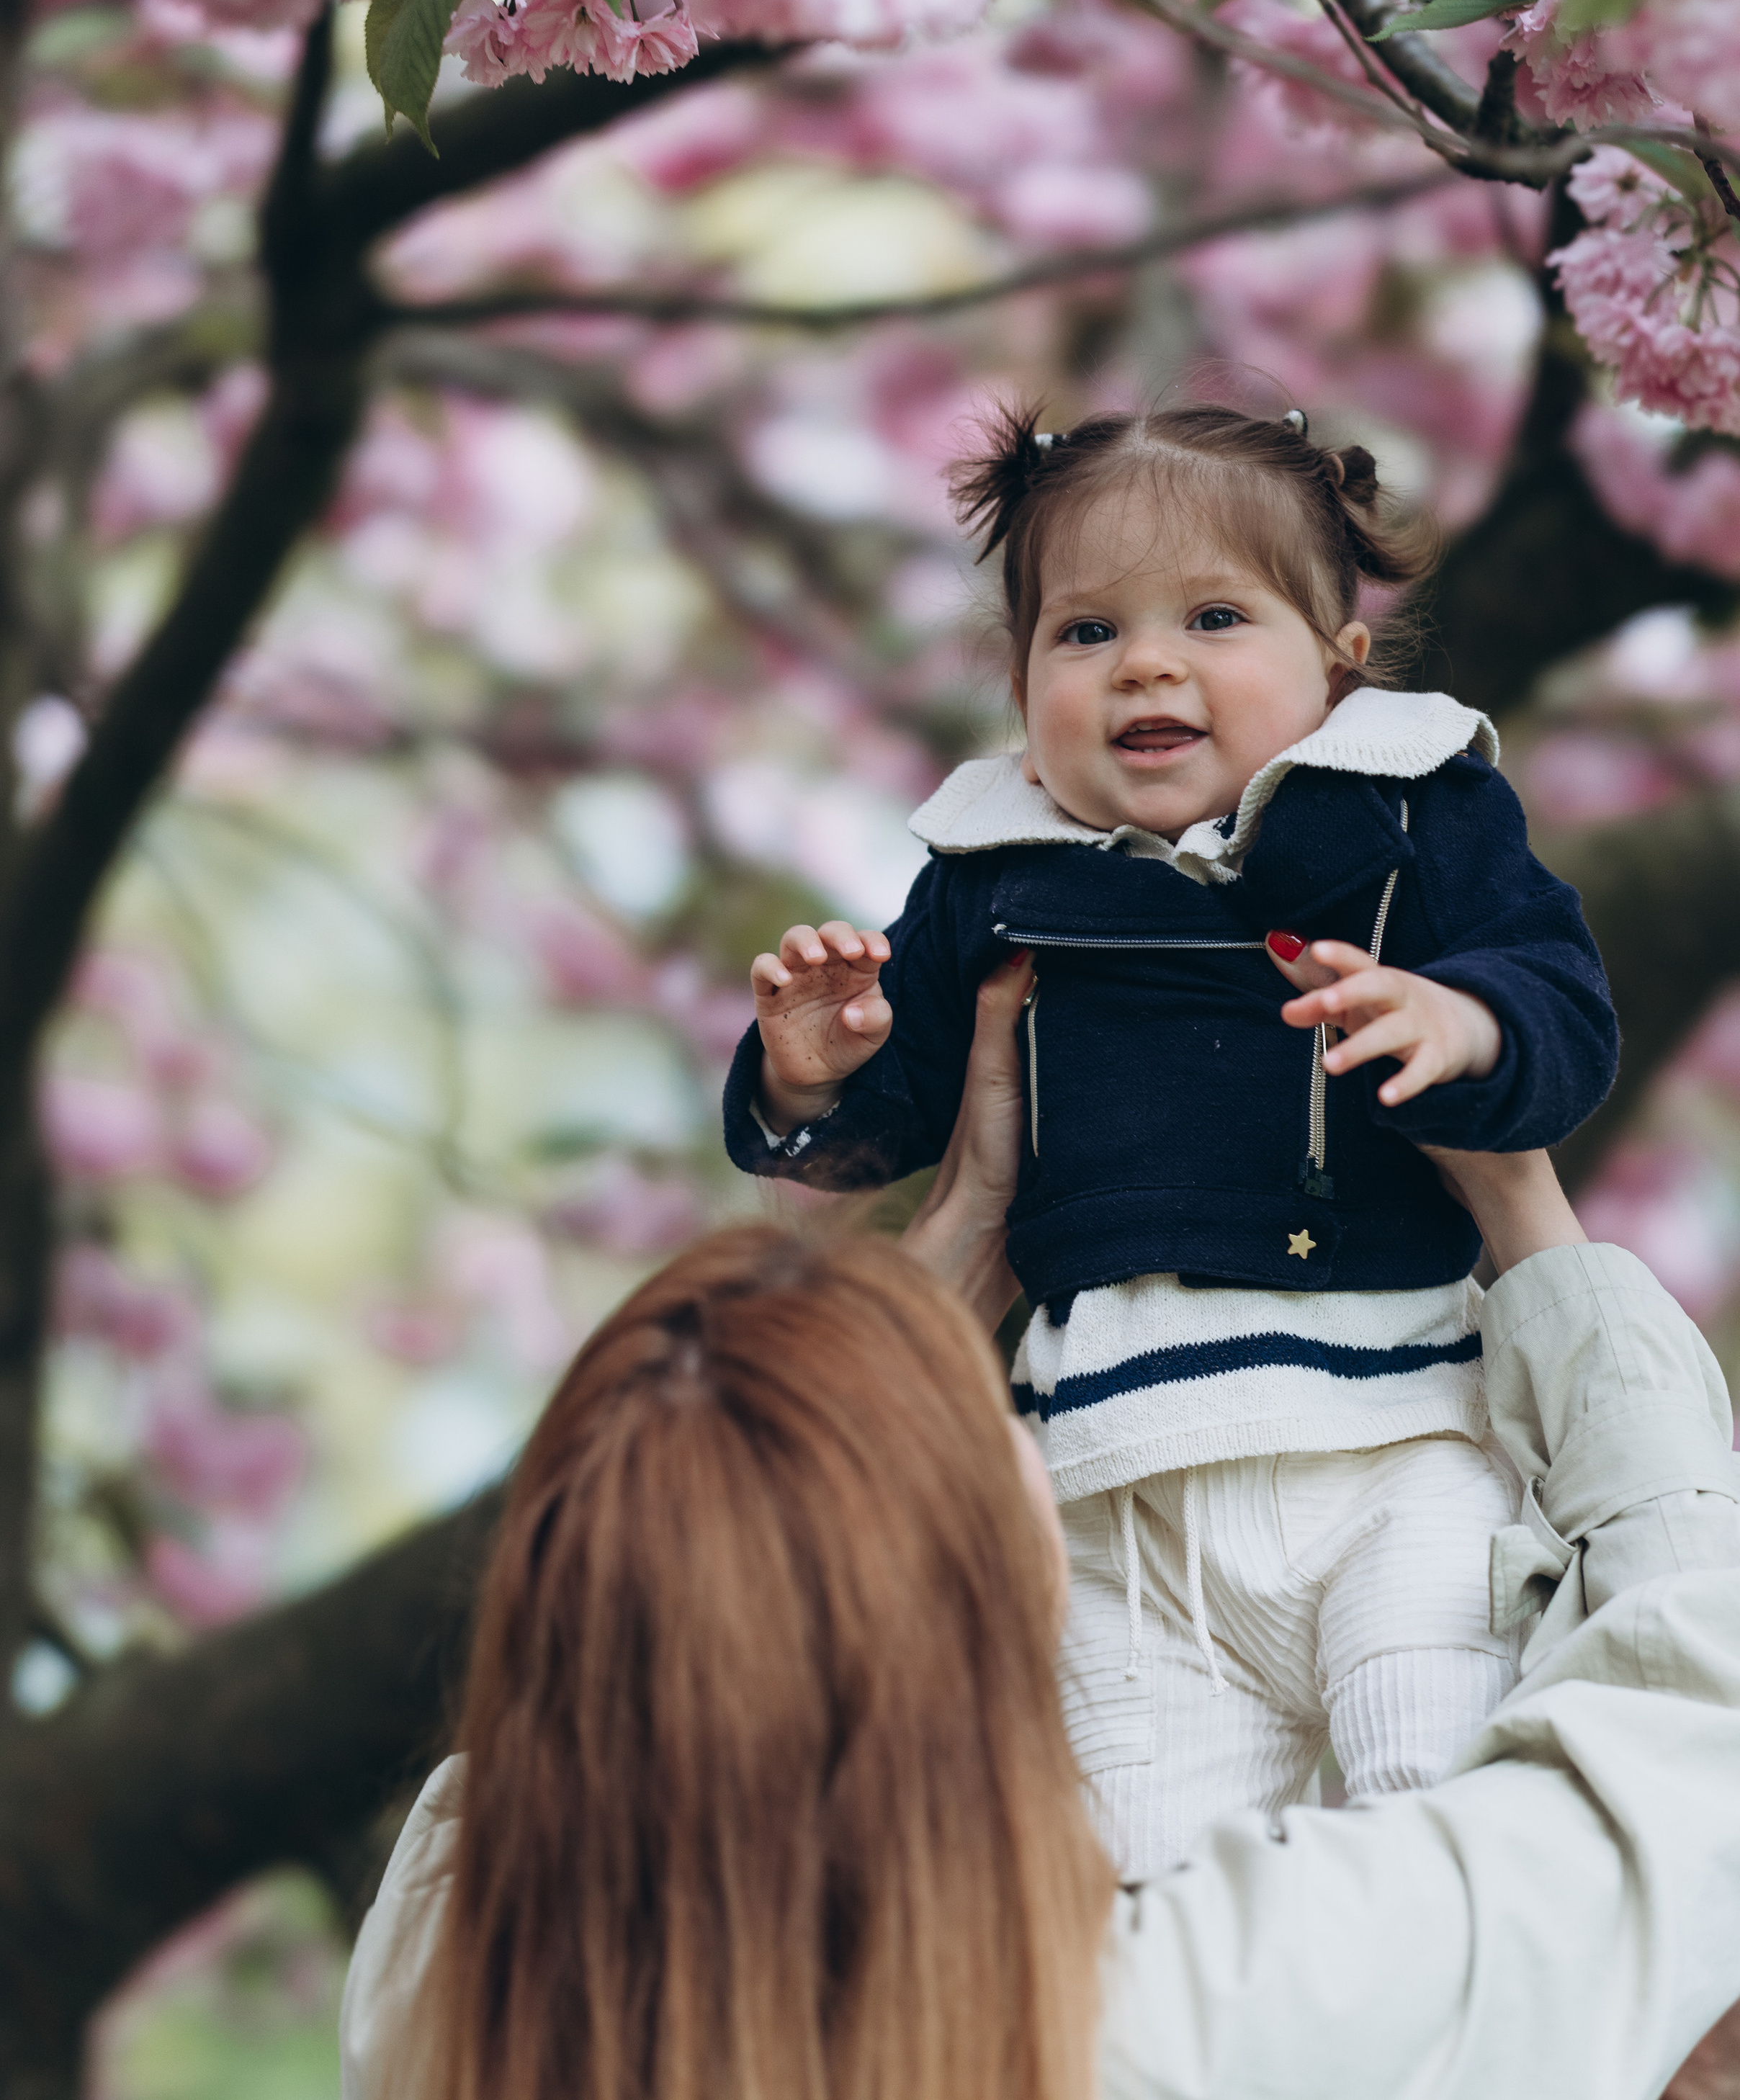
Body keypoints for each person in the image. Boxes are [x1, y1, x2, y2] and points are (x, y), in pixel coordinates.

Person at [341, 966, 1740, 2100]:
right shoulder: (1179, 2010)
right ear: (962, 1600)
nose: (1018, 1424)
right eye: (990, 1439)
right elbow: (1676, 1760)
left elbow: (648, 1671)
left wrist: (951, 1240)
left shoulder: (455, 1977)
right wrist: (1528, 1216)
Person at [725, 404, 1620, 1875]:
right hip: (1118, 1495)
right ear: (1018, 686)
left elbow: (1556, 1001)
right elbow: (891, 1125)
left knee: (1435, 1803)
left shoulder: (1406, 803)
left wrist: (1458, 1021)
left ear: (1338, 652)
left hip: (1391, 1441)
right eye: (1082, 632)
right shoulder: (990, 874)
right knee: (1143, 1886)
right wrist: (810, 1076)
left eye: (1212, 616)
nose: (1145, 662)